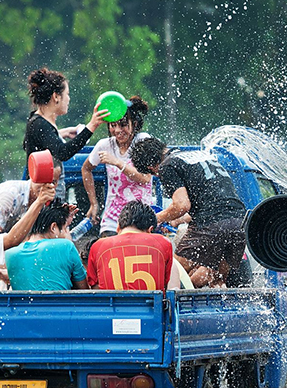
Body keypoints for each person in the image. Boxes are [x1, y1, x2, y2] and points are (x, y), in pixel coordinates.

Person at [130, 138, 245, 288]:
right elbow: (214, 202)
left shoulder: (167, 165)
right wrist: (176, 220)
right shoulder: (197, 156)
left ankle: (163, 308)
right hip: (239, 223)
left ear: (151, 166)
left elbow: (181, 205)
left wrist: (154, 218)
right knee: (215, 278)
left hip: (212, 224)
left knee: (171, 273)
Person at [22, 67, 109, 191]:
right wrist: (92, 126)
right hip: (41, 198)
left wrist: (64, 132)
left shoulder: (38, 121)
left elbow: (31, 142)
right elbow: (63, 152)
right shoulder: (39, 124)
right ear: (56, 97)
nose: (69, 99)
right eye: (67, 94)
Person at [82, 96, 154, 237]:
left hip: (141, 219)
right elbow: (86, 169)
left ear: (134, 124)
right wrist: (93, 203)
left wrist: (117, 162)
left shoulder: (143, 141)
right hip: (113, 220)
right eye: (113, 125)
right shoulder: (105, 145)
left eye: (123, 125)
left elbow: (145, 178)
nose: (117, 130)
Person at [86, 201, 179, 291]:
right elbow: (166, 284)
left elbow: (95, 289)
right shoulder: (163, 243)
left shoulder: (98, 246)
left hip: (112, 306)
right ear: (150, 230)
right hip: (152, 306)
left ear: (118, 227)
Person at [5, 199, 86, 290]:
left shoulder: (10, 254)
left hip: (23, 304)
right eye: (66, 228)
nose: (68, 233)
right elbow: (84, 290)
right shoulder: (66, 246)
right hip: (60, 304)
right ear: (53, 227)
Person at [0, 160, 62, 233]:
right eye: (43, 180)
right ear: (33, 175)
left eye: (52, 182)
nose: (47, 186)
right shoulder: (10, 195)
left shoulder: (48, 201)